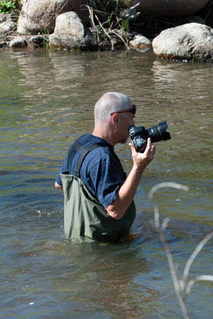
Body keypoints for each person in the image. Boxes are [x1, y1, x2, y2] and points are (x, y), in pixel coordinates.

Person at [55, 91, 156, 242]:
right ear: (115, 119)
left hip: (76, 239)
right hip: (103, 249)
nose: (133, 125)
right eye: (131, 118)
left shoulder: (80, 143)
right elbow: (115, 210)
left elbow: (59, 185)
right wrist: (139, 167)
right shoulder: (103, 158)